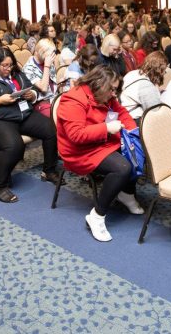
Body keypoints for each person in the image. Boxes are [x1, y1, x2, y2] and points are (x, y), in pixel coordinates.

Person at [56, 65, 143, 242]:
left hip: (101, 141)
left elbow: (121, 112)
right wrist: (106, 128)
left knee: (136, 153)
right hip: (79, 151)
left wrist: (134, 133)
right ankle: (97, 216)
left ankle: (126, 193)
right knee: (122, 168)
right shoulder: (72, 100)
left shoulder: (105, 96)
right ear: (98, 84)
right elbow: (76, 135)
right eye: (111, 89)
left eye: (115, 89)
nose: (113, 94)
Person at [0, 47, 61, 203]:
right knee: (14, 145)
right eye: (4, 65)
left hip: (21, 115)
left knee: (50, 128)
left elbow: (33, 90)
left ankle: (49, 170)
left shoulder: (17, 74)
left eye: (10, 65)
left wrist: (32, 95)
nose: (8, 69)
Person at [120, 51, 167, 120]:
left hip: (123, 114)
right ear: (159, 70)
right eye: (164, 71)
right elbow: (156, 112)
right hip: (134, 120)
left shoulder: (132, 73)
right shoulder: (147, 86)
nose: (164, 74)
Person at [22, 38, 58, 117]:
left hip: (55, 98)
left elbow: (54, 83)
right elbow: (44, 88)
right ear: (42, 52)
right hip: (43, 102)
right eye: (50, 54)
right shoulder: (28, 68)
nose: (52, 57)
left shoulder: (48, 62)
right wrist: (47, 66)